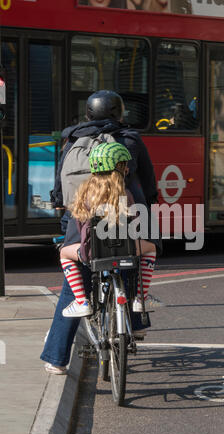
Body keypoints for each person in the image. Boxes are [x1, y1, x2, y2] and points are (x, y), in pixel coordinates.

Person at [41, 90, 162, 374]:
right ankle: (135, 323)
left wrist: (63, 210)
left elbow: (60, 188)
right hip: (126, 216)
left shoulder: (72, 139)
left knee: (76, 283)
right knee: (132, 260)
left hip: (81, 217)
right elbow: (148, 180)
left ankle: (57, 358)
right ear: (119, 114)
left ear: (88, 114)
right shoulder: (130, 139)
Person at [60, 141, 158, 321]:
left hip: (92, 252)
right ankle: (141, 297)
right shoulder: (125, 193)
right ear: (119, 168)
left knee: (64, 254)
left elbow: (80, 225)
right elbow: (135, 223)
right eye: (124, 165)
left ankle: (81, 301)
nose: (127, 169)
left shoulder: (83, 193)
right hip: (126, 249)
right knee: (151, 248)